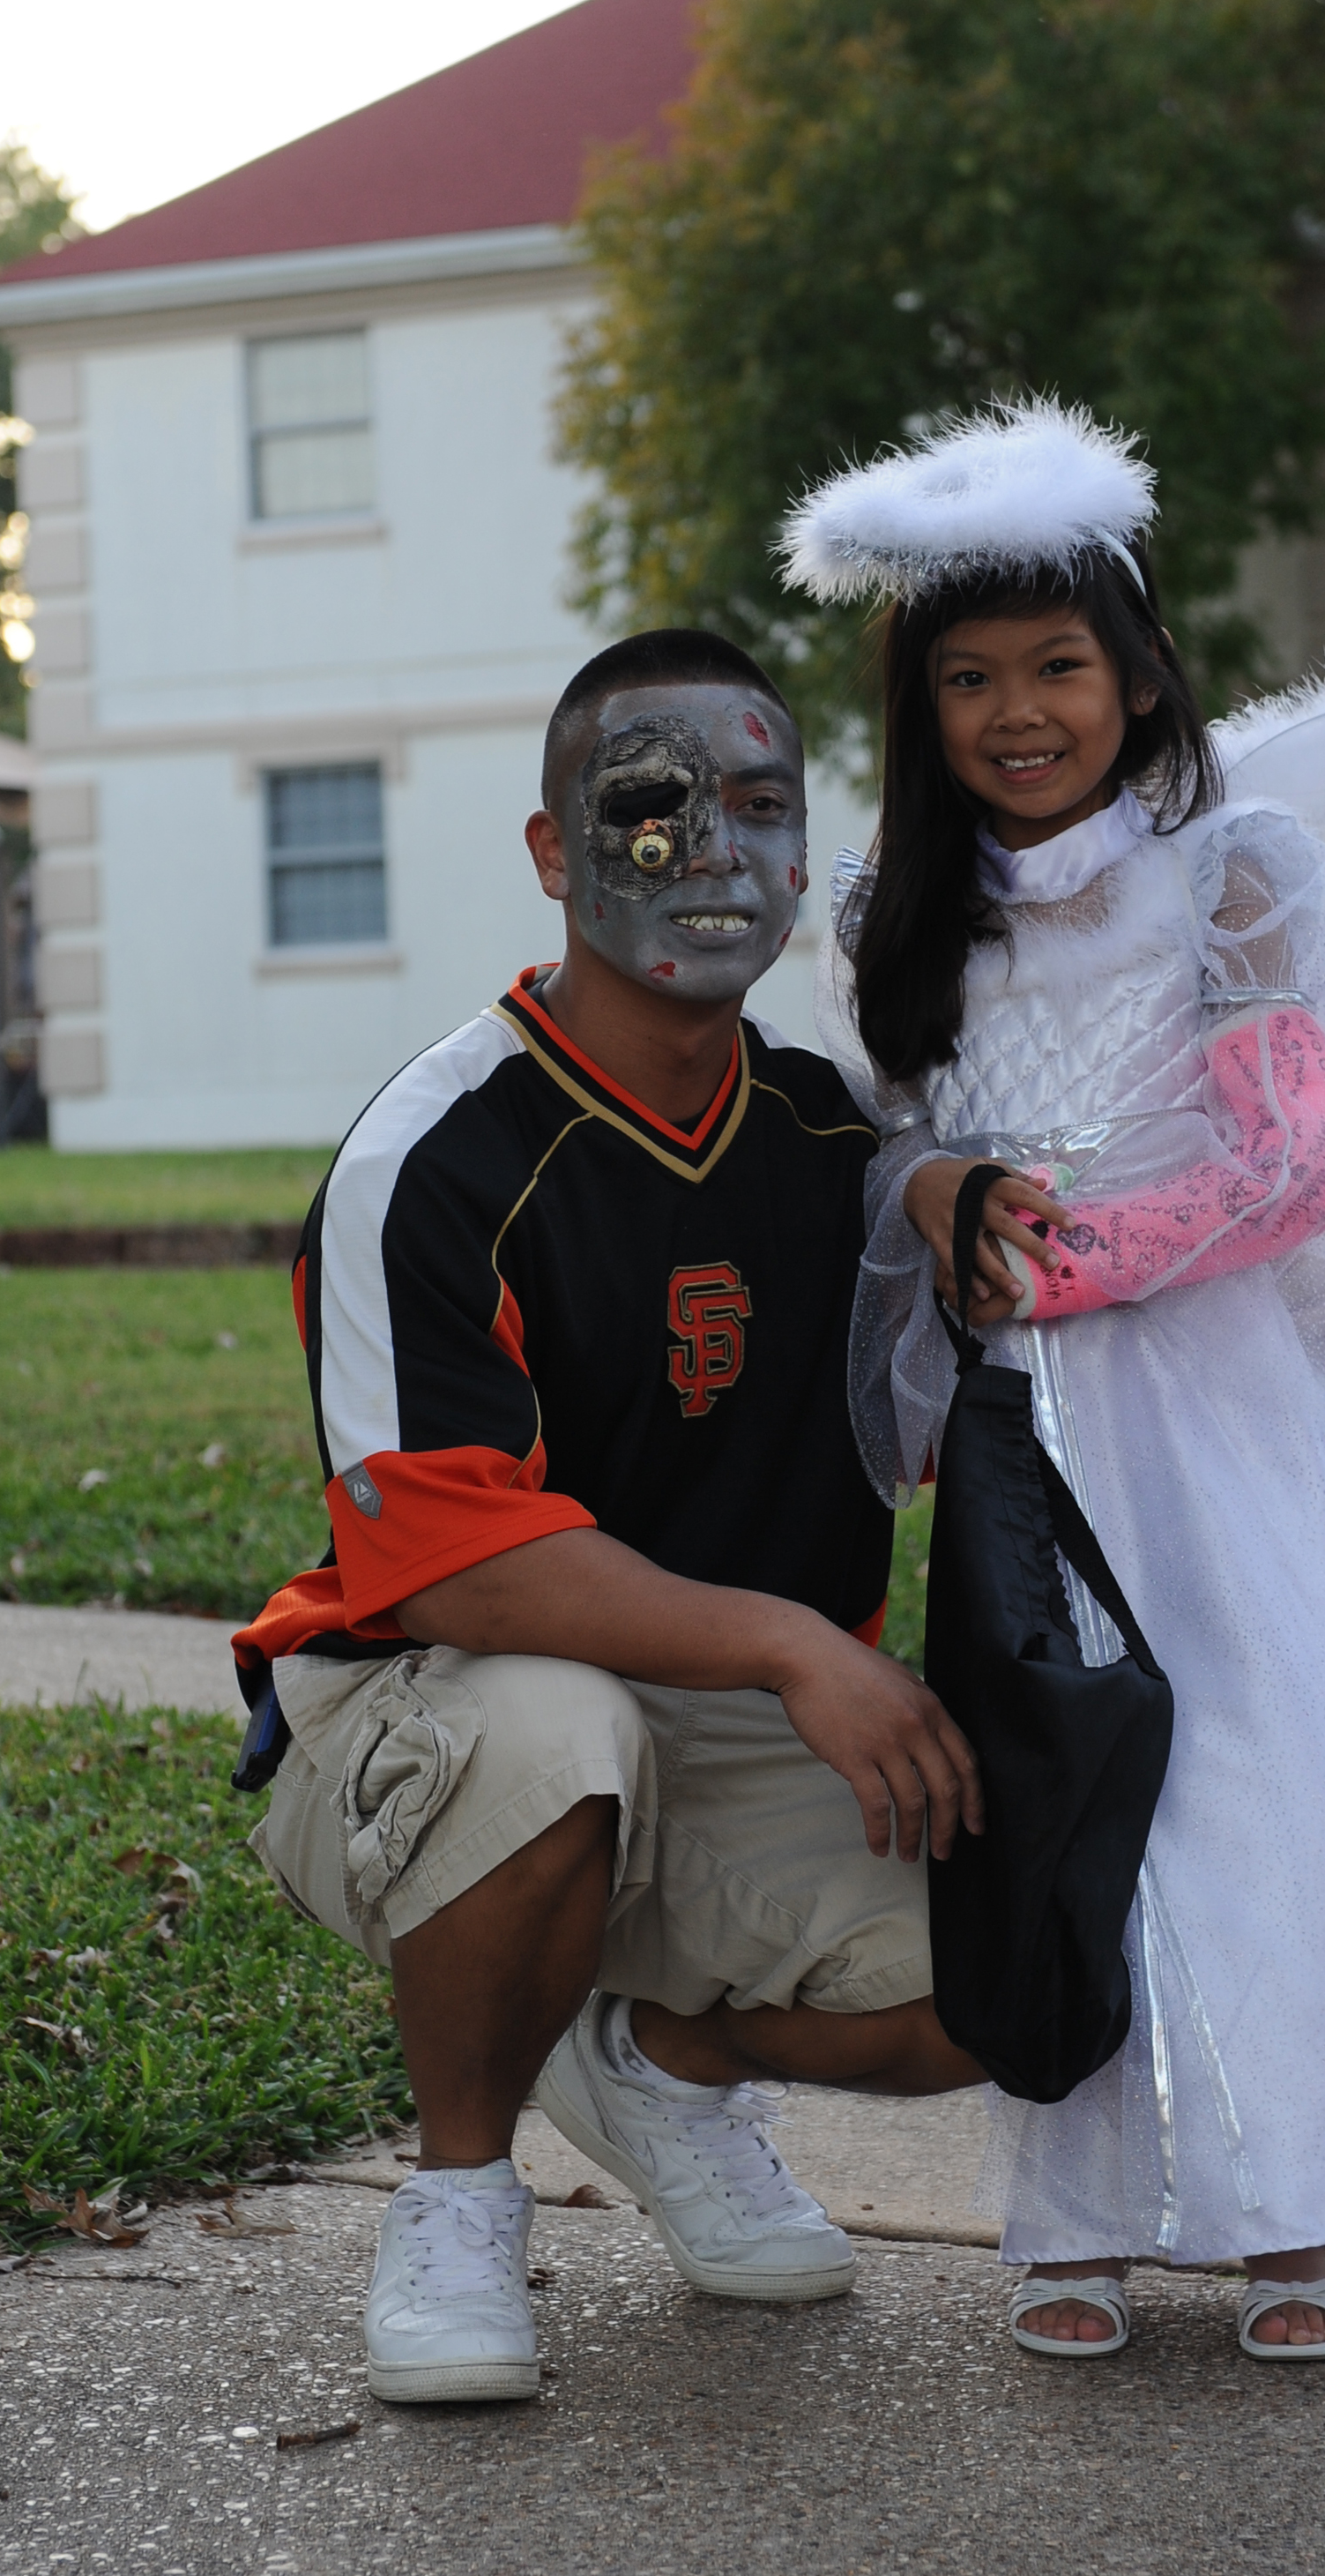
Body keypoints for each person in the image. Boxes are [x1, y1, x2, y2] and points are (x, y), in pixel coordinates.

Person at [780, 401, 1325, 2365]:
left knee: (1253, 1780)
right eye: (966, 680)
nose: (1017, 711)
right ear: (919, 705)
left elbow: (1296, 1157)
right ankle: (1073, 2212)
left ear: (1137, 671)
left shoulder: (1229, 873)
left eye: (1057, 666)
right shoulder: (887, 906)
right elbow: (884, 1152)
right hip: (1021, 1443)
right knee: (1057, 1801)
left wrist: (1082, 1256)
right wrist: (946, 1199)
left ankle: (1291, 2214)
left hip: (1209, 1422)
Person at [234, 627, 986, 2407]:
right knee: (555, 1726)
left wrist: (954, 1183)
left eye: (758, 806)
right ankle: (459, 2195)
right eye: (650, 808)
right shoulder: (438, 1153)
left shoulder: (835, 1139)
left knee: (1024, 1957)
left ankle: (651, 2057)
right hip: (426, 1705)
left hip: (725, 1726)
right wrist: (796, 1643)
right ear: (555, 852)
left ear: (809, 858)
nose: (712, 850)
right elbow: (455, 1560)